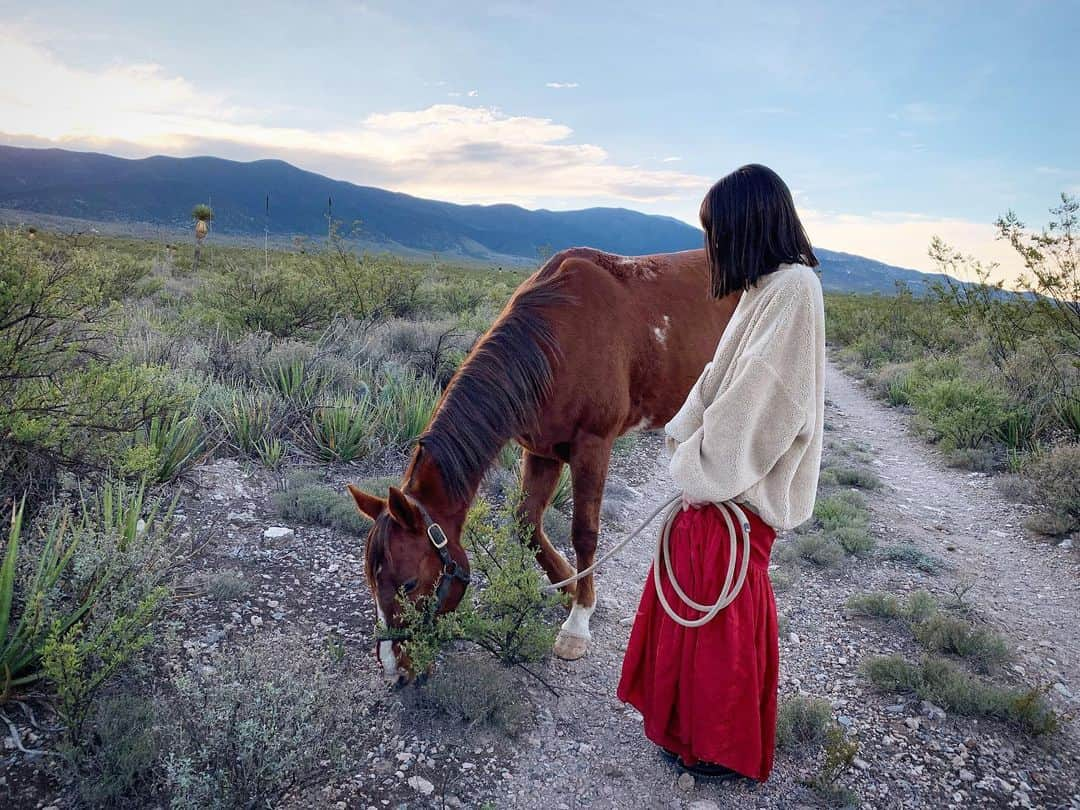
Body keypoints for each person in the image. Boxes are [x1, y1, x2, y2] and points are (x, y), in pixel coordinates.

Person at [617, 164, 825, 782]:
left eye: (715, 234)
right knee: (697, 587)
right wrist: (685, 434)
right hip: (720, 480)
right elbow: (715, 380)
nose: (709, 249)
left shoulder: (793, 291)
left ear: (746, 227)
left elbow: (764, 396)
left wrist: (702, 466)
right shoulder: (766, 288)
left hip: (742, 489)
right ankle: (687, 733)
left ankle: (720, 748)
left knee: (723, 610)